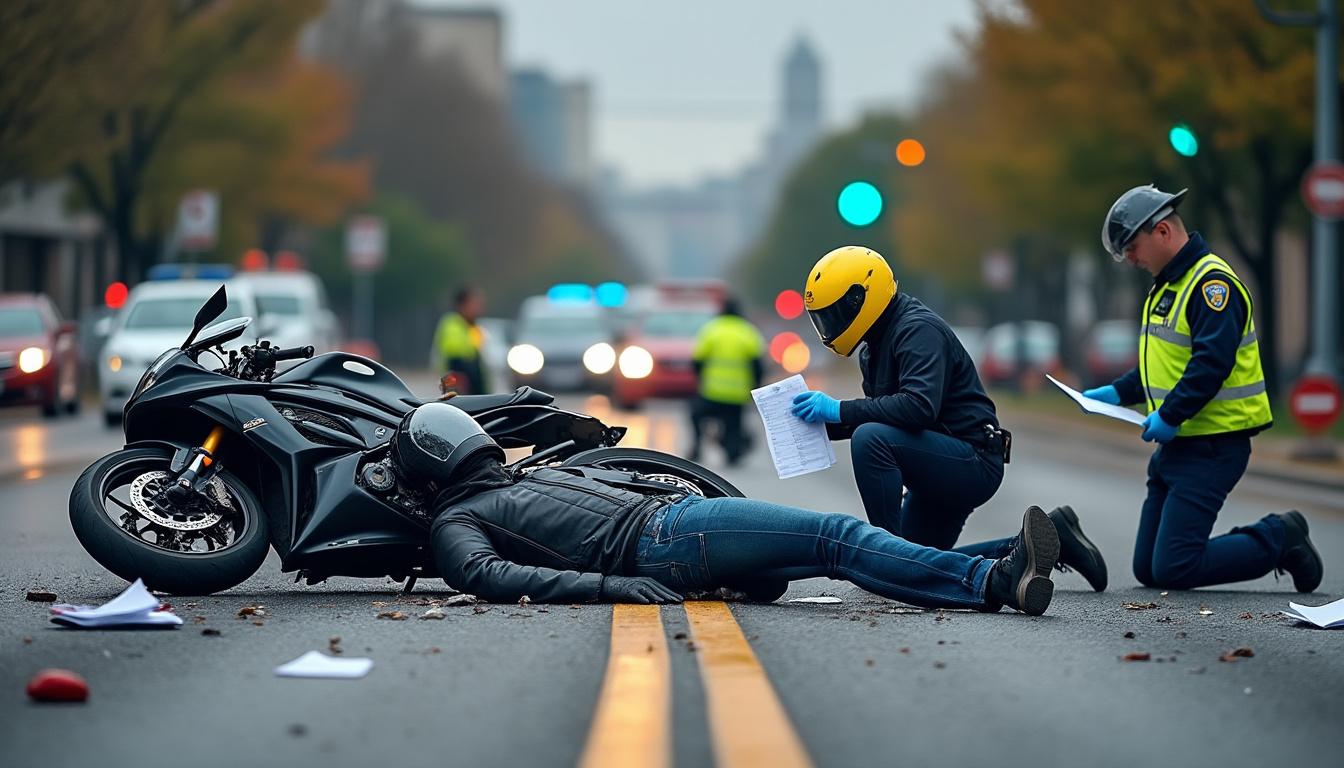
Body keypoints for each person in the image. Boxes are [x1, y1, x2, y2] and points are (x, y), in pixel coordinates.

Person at [398, 402, 1062, 615]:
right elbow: (492, 577)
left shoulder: (500, 482)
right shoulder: (456, 523)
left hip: (673, 530)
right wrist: (612, 585)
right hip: (669, 538)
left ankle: (1022, 552)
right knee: (836, 537)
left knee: (832, 553)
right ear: (437, 463)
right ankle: (993, 580)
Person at [791, 245, 1108, 591]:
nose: (830, 325)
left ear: (861, 298)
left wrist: (837, 409)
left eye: (835, 313)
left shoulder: (916, 329)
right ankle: (1051, 541)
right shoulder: (874, 346)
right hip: (943, 460)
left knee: (870, 440)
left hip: (972, 459)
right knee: (921, 564)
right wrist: (814, 424)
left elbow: (916, 408)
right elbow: (885, 414)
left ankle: (884, 558)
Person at [1086, 184, 1323, 592]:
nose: (1130, 258)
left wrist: (1172, 414)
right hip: (1177, 446)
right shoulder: (1168, 283)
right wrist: (1120, 392)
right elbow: (1166, 365)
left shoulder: (1211, 286)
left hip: (1213, 446)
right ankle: (1270, 538)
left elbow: (1210, 364)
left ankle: (1281, 537)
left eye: (1132, 247)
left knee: (1175, 568)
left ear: (1162, 232)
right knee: (1149, 569)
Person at [688, 297, 765, 466]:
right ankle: (733, 453)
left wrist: (700, 380)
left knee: (695, 415)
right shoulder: (748, 332)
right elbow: (757, 365)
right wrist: (755, 388)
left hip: (712, 392)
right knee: (734, 425)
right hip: (737, 394)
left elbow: (697, 361)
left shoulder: (712, 330)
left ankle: (697, 447)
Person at [432, 287, 489, 395]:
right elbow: (455, 361)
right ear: (462, 305)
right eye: (475, 304)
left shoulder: (472, 327)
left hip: (472, 390)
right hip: (460, 390)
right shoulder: (452, 325)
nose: (479, 309)